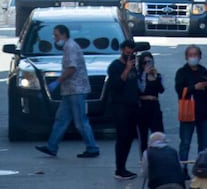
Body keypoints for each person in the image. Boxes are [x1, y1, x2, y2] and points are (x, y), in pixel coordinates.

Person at [35, 25, 100, 159]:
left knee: (80, 121)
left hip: (76, 90)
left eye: (57, 35)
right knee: (62, 120)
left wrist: (58, 81)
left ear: (64, 35)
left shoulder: (70, 47)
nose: (55, 38)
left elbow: (71, 68)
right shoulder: (69, 46)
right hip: (70, 90)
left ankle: (92, 148)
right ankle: (52, 147)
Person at [174, 45, 207, 167]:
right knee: (185, 143)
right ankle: (183, 169)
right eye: (190, 55)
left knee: (204, 144)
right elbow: (180, 90)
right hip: (188, 113)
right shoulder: (181, 72)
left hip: (203, 113)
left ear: (200, 56)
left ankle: (201, 169)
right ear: (186, 57)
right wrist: (194, 88)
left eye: (195, 55)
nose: (193, 57)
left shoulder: (204, 72)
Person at [107, 39, 141, 181]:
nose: (129, 54)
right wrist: (126, 69)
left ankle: (123, 168)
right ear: (122, 50)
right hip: (120, 107)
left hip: (132, 107)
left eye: (132, 51)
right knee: (122, 137)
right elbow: (116, 86)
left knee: (128, 138)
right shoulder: (115, 66)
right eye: (127, 50)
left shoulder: (134, 66)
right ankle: (119, 168)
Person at [137, 51, 166, 155]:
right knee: (143, 137)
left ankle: (159, 158)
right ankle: (144, 160)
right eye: (145, 62)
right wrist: (145, 74)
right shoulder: (139, 76)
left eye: (150, 62)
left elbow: (162, 90)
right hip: (143, 107)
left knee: (158, 133)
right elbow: (141, 89)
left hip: (154, 106)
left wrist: (154, 76)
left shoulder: (157, 75)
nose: (148, 64)